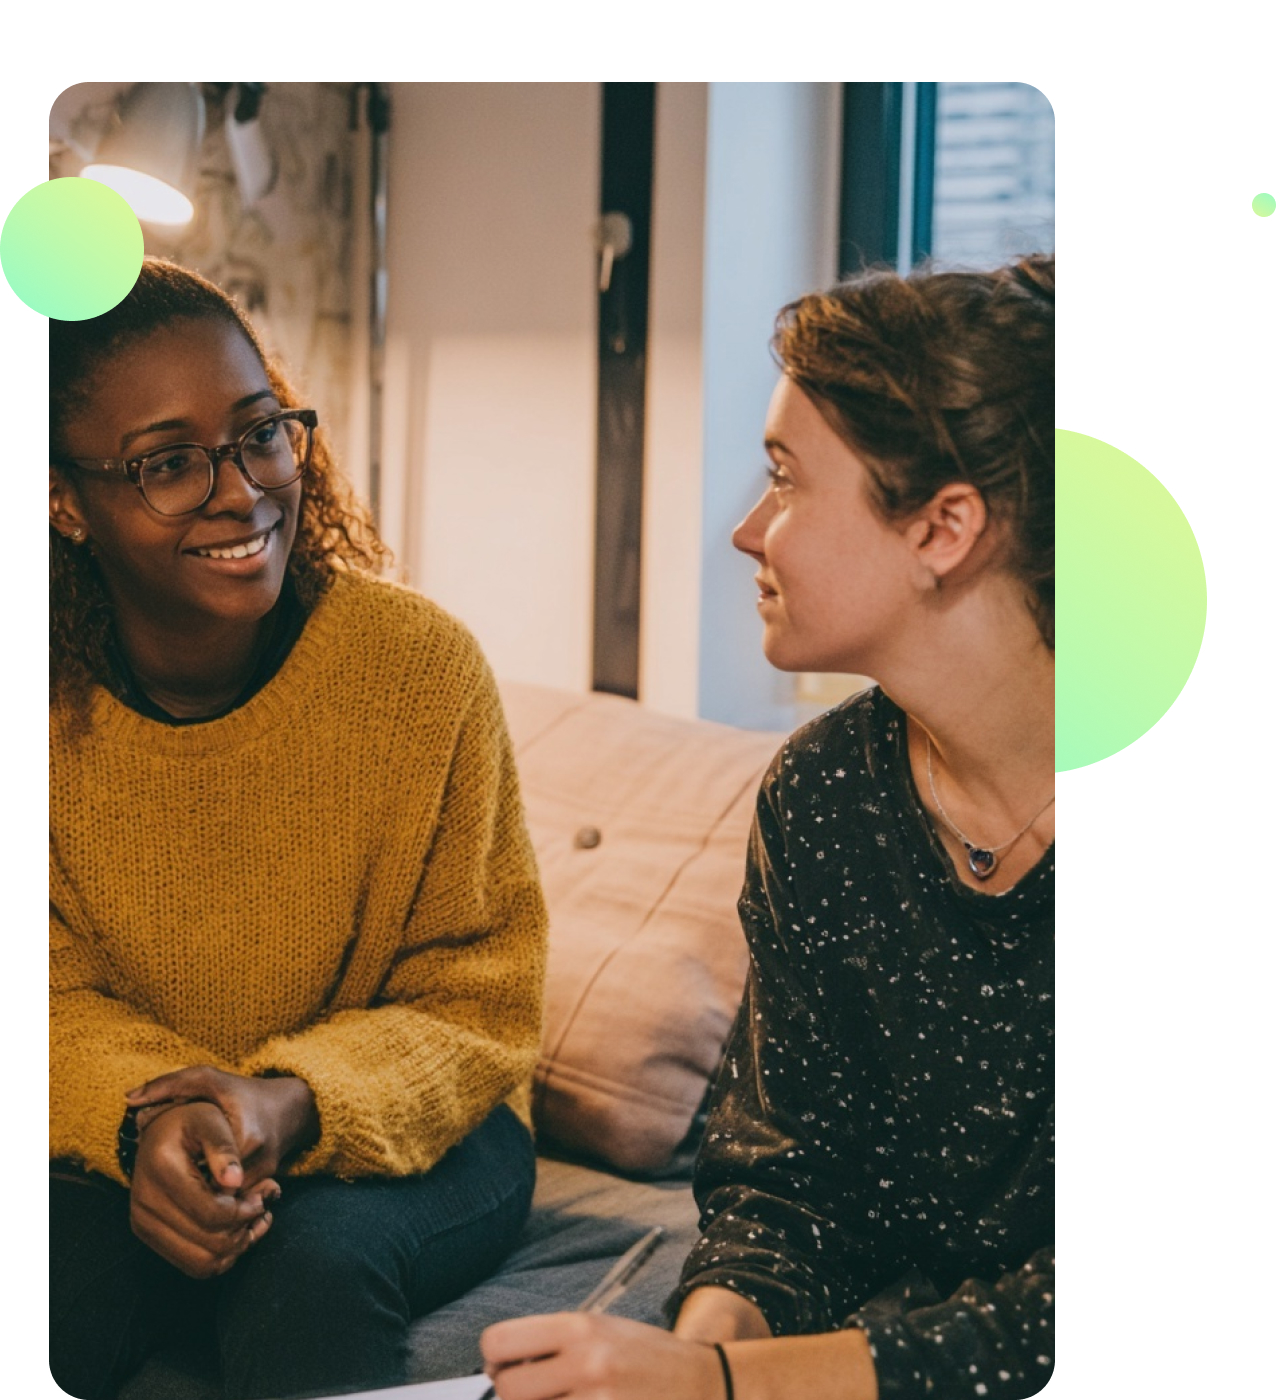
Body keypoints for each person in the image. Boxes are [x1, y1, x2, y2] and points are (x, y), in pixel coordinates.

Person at [480, 255, 1054, 1400]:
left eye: (787, 479)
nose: (749, 529)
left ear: (945, 528)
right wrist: (702, 1344)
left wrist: (728, 1386)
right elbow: (783, 1186)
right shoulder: (827, 793)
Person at [49, 258, 548, 1400]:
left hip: (419, 1131)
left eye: (261, 432)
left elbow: (479, 1001)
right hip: (145, 1132)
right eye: (170, 462)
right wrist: (160, 1129)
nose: (242, 489)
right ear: (63, 499)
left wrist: (284, 1099)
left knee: (305, 1270)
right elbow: (40, 997)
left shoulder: (419, 672)